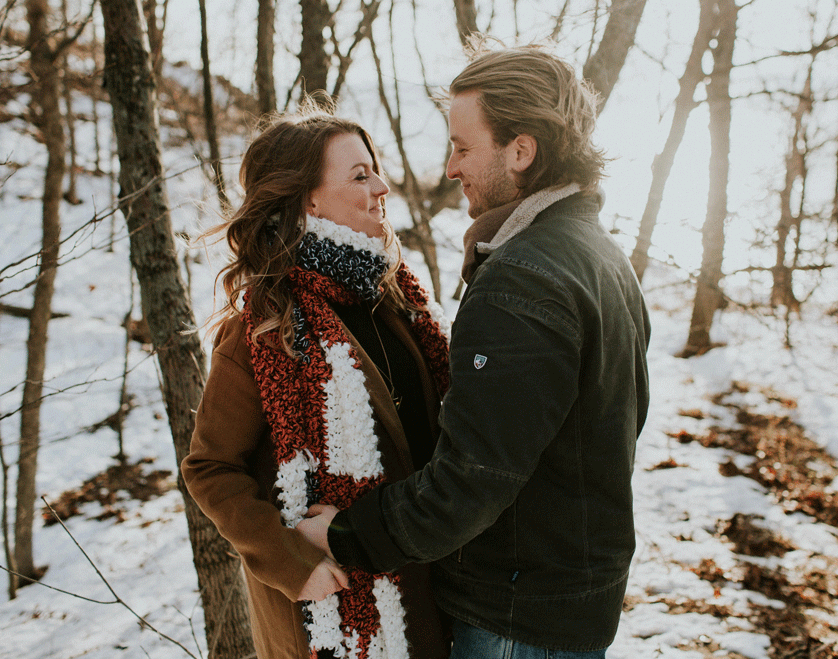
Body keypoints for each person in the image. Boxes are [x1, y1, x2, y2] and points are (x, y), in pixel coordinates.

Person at [298, 44, 651, 658]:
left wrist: (348, 534)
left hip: (516, 616)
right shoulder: (597, 253)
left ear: (521, 151)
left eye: (463, 147)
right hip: (565, 600)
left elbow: (473, 478)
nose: (451, 167)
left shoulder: (524, 279)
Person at [181, 111, 452, 659]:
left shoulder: (396, 300)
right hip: (332, 612)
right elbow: (211, 468)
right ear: (308, 200)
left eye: (375, 171)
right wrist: (291, 563)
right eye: (359, 176)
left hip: (429, 589)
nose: (381, 188)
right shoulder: (263, 330)